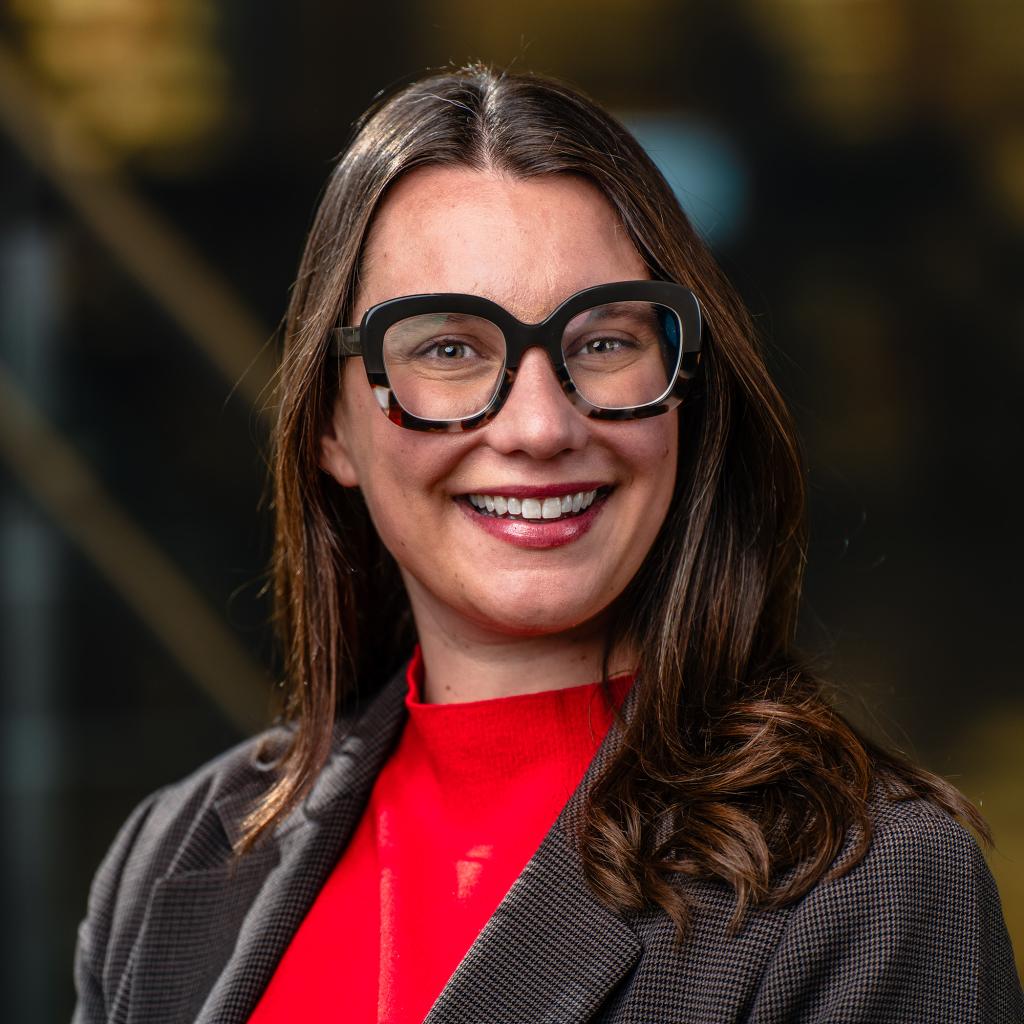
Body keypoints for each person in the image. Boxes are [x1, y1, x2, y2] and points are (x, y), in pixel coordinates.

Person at [72, 64, 1023, 1024]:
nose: (539, 426)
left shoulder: (869, 887)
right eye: (448, 348)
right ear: (330, 425)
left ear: (686, 391)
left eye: (604, 342)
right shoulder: (169, 861)